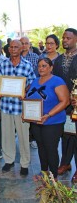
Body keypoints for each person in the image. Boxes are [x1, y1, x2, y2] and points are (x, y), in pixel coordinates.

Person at [26, 58, 69, 180]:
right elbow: (29, 98)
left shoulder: (57, 81)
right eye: (39, 66)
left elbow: (65, 101)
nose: (41, 68)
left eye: (44, 66)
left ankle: (53, 176)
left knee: (50, 149)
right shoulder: (35, 81)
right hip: (36, 121)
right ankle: (44, 172)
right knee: (41, 147)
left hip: (52, 122)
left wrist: (48, 115)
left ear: (51, 68)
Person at [0, 40, 36, 176]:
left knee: (24, 136)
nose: (13, 49)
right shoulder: (3, 64)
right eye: (11, 47)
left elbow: (32, 82)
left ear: (21, 49)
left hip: (20, 107)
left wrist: (24, 90)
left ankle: (25, 163)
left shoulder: (27, 65)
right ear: (8, 49)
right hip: (6, 105)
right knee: (7, 135)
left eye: (16, 47)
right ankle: (9, 160)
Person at [53, 28, 77, 183]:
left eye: (68, 38)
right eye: (63, 38)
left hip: (76, 103)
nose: (64, 40)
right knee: (66, 135)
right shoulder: (59, 59)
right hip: (63, 104)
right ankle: (65, 163)